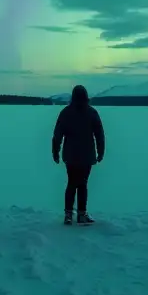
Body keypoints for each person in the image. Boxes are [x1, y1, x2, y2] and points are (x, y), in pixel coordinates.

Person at [51, 84, 105, 225]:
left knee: (72, 183)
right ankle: (81, 214)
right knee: (82, 184)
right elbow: (100, 135)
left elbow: (57, 135)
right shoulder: (92, 112)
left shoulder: (66, 113)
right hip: (86, 155)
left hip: (71, 155)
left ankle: (69, 214)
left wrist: (55, 151)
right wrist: (101, 151)